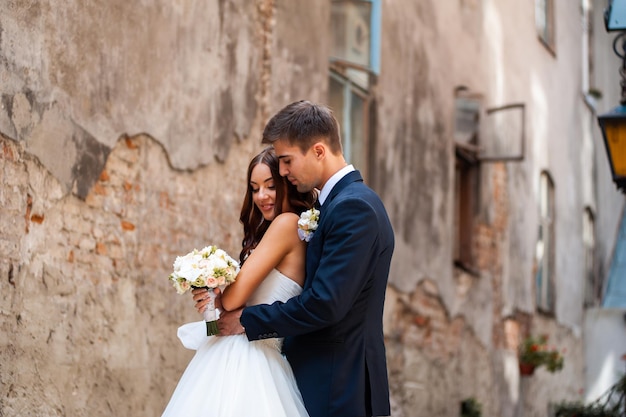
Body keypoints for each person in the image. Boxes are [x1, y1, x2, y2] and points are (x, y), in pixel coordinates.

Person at [214, 100, 395, 417]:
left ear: (319, 151)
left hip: (338, 386)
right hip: (315, 380)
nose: (282, 171)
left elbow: (325, 303)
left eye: (286, 161)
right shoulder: (334, 207)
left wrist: (246, 320)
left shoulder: (355, 208)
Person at [161, 146, 317, 417]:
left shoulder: (287, 224)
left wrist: (220, 294)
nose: (261, 196)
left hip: (250, 359)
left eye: (270, 186)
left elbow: (233, 301)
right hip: (237, 350)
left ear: (287, 185)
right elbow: (217, 325)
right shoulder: (283, 230)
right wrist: (211, 303)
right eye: (254, 188)